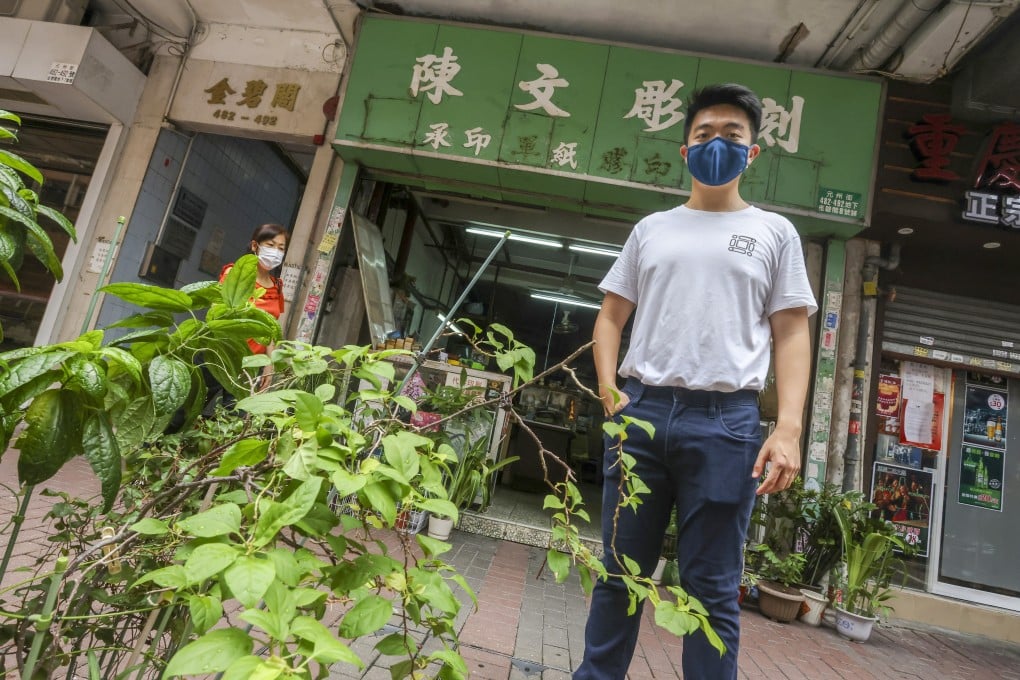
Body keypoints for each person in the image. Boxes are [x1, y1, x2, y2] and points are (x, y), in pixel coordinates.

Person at [574, 84, 817, 680]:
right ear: (685, 151)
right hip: (642, 412)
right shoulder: (652, 228)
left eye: (732, 135)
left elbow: (791, 333)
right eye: (705, 134)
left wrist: (787, 428)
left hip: (727, 425)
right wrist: (608, 387)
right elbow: (610, 316)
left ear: (752, 153)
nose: (717, 145)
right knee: (620, 573)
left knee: (711, 587)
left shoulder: (774, 233)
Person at [208, 223, 288, 408]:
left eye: (281, 248)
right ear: (255, 246)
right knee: (184, 413)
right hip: (220, 355)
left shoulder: (277, 286)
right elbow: (216, 312)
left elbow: (270, 329)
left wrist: (269, 365)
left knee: (237, 418)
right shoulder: (234, 273)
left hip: (251, 365)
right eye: (270, 245)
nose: (275, 252)